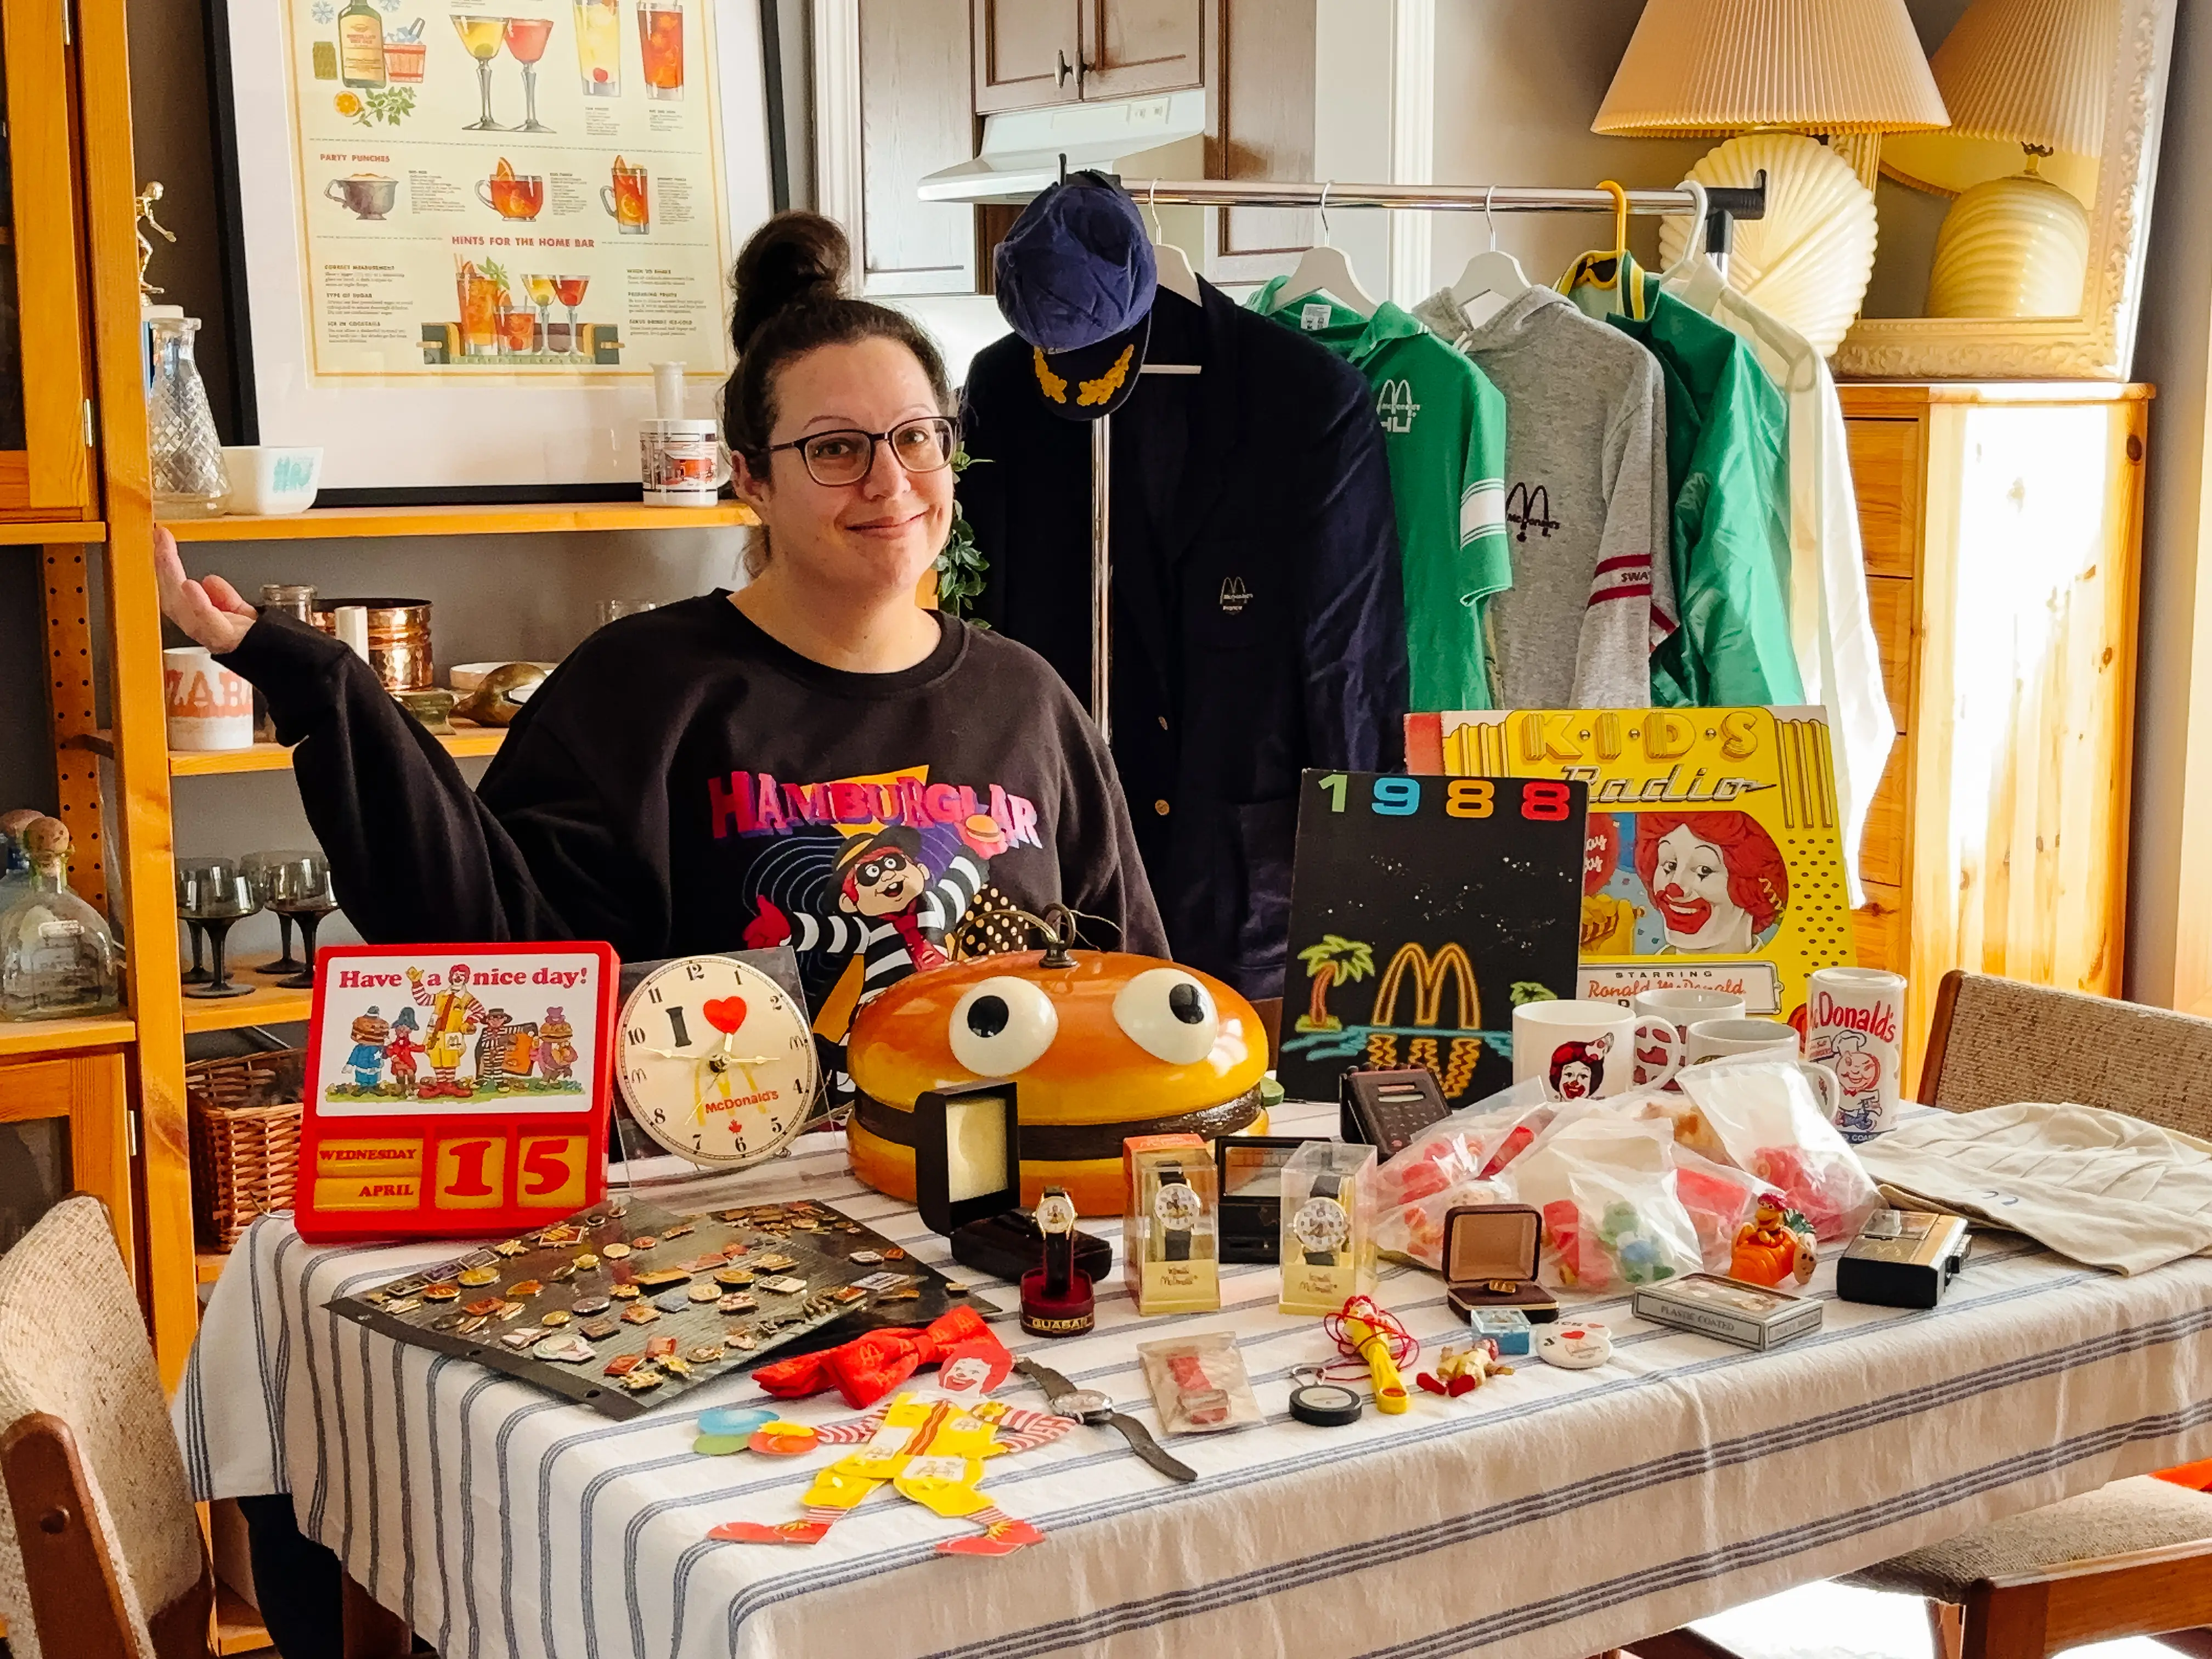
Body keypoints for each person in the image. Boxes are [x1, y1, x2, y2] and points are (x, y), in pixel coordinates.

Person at [159, 210, 1165, 1658]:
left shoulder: (1026, 696)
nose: (890, 483)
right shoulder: (650, 688)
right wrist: (323, 689)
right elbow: (494, 936)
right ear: (748, 477)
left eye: (919, 439)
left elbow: (1130, 978)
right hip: (736, 1285)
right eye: (835, 448)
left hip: (994, 1270)